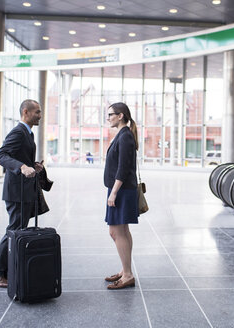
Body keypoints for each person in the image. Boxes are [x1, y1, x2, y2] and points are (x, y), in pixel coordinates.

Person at [0, 99, 43, 288]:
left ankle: (6, 270)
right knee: (13, 230)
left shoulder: (28, 133)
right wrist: (21, 167)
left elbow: (20, 156)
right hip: (16, 192)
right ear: (25, 112)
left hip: (23, 190)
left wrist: (32, 165)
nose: (40, 115)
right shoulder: (18, 132)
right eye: (37, 112)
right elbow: (1, 155)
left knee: (17, 229)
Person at [103, 102, 139, 290]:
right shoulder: (123, 135)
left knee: (116, 232)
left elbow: (123, 169)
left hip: (121, 190)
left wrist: (114, 193)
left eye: (110, 114)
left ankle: (127, 275)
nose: (108, 118)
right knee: (122, 230)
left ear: (121, 115)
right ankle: (125, 270)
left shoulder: (125, 137)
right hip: (122, 189)